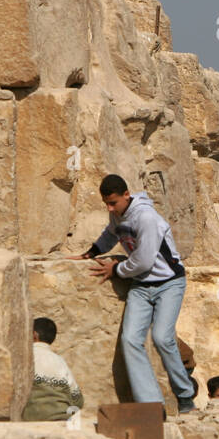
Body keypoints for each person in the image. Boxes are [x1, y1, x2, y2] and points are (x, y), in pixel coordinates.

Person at [76, 174, 196, 413]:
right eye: (106, 204)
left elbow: (143, 260)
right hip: (141, 285)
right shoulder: (117, 214)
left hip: (169, 282)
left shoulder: (146, 217)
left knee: (162, 338)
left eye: (113, 203)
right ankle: (151, 405)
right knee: (130, 340)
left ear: (126, 195)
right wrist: (90, 253)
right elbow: (110, 234)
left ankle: (185, 395)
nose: (110, 209)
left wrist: (117, 269)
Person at [22, 317, 85, 421]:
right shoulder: (60, 361)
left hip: (33, 418)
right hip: (63, 418)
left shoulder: (24, 357)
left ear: (34, 335)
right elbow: (78, 400)